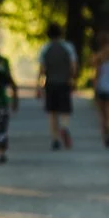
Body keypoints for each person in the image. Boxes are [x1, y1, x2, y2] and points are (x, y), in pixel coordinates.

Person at [37, 22, 77, 150]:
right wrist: (72, 78)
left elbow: (42, 70)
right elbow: (73, 66)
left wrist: (39, 86)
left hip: (51, 83)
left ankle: (55, 138)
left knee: (52, 112)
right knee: (65, 110)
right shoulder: (68, 47)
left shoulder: (45, 48)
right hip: (64, 82)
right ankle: (64, 127)